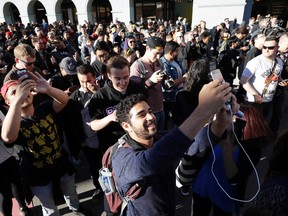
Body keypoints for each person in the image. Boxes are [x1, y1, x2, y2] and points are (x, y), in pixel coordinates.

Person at [112, 79, 238, 215]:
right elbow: (151, 161)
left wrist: (220, 122)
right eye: (141, 115)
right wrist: (203, 110)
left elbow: (194, 142)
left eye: (150, 111)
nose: (150, 117)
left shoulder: (160, 137)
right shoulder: (122, 158)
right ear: (126, 126)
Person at [0, 70, 85, 216]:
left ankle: (76, 210)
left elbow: (64, 100)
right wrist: (17, 102)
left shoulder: (44, 108)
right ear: (8, 103)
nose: (21, 94)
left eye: (23, 90)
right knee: (49, 207)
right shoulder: (13, 124)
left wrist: (49, 89)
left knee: (71, 192)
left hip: (62, 164)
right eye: (14, 93)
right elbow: (7, 137)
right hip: (37, 176)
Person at [69, 64, 103, 200]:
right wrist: (79, 141)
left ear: (94, 77)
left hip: (105, 136)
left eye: (88, 80)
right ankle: (99, 188)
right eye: (82, 81)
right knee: (95, 166)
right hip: (88, 140)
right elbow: (72, 123)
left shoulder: (103, 91)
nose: (85, 84)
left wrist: (98, 92)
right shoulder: (74, 98)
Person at [240, 36, 284, 127]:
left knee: (262, 126)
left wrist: (281, 81)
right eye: (264, 47)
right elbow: (243, 80)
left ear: (277, 48)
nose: (266, 50)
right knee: (252, 128)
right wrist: (255, 94)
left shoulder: (279, 62)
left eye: (270, 47)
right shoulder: (255, 62)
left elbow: (277, 77)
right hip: (254, 102)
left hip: (269, 100)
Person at [130, 36, 166, 131]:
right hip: (148, 113)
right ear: (147, 48)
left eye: (161, 54)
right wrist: (151, 81)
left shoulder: (159, 63)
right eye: (156, 53)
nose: (158, 57)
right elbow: (135, 92)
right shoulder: (137, 66)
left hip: (160, 108)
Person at [160, 41, 187, 129]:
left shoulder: (176, 61)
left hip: (179, 94)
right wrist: (183, 79)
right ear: (171, 52)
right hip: (169, 98)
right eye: (177, 51)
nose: (178, 53)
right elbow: (170, 84)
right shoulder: (163, 64)